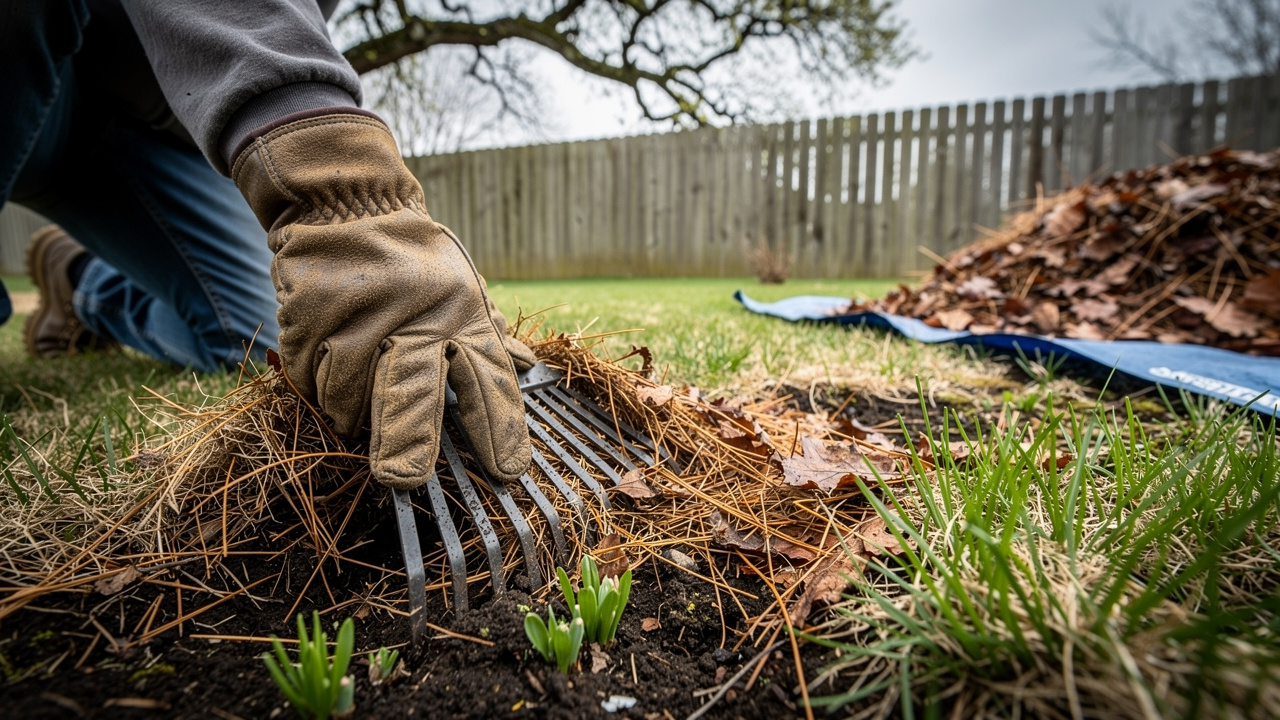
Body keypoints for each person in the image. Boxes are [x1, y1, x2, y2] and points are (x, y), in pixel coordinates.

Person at [2, 1, 535, 489]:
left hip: (161, 126)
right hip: (26, 88)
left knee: (273, 347)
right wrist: (339, 192)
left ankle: (82, 285)